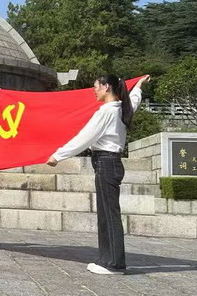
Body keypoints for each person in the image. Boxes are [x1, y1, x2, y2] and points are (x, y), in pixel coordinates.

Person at [47, 75, 148, 275]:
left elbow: (85, 137)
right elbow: (134, 99)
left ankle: (113, 264)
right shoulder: (123, 108)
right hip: (110, 163)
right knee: (108, 213)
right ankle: (107, 260)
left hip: (106, 163)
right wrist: (138, 86)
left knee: (108, 215)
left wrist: (58, 155)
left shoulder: (107, 112)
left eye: (96, 87)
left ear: (106, 86)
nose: (94, 91)